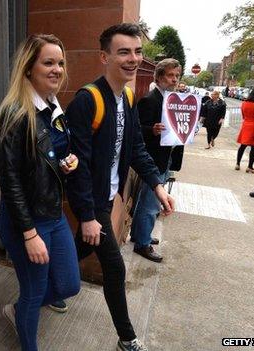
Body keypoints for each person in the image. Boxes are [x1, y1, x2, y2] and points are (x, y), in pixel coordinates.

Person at [65, 23, 175, 351]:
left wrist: (157, 185)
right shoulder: (88, 101)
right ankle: (127, 339)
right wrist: (87, 215)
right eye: (123, 52)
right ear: (104, 56)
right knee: (115, 267)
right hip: (93, 200)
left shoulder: (126, 95)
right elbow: (78, 167)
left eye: (138, 52)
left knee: (74, 252)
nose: (133, 58)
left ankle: (49, 289)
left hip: (108, 195)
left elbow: (136, 147)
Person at [0, 34, 81, 351]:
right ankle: (25, 333)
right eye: (48, 62)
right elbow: (11, 180)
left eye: (60, 62)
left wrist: (67, 163)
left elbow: (49, 158)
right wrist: (29, 234)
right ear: (29, 68)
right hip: (25, 221)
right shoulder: (14, 115)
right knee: (34, 290)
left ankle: (17, 310)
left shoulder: (54, 109)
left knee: (69, 284)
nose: (57, 69)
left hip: (52, 214)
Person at [130, 58, 184, 263]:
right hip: (152, 160)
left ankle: (139, 235)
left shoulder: (171, 99)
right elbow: (137, 131)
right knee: (150, 204)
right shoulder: (151, 99)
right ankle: (142, 243)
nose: (174, 79)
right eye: (170, 75)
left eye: (177, 75)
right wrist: (151, 129)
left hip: (164, 157)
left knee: (146, 200)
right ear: (159, 76)